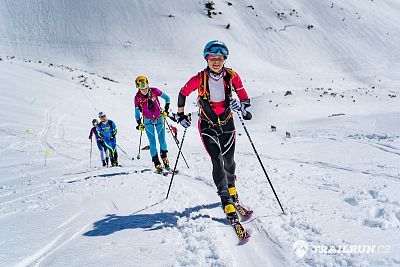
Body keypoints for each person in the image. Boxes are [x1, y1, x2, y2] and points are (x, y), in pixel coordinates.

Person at [174, 40, 252, 223]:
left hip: (227, 123)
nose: (216, 61)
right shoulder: (199, 78)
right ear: (206, 59)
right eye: (212, 58)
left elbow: (245, 98)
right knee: (217, 160)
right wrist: (181, 115)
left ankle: (232, 190)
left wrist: (241, 106)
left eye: (219, 58)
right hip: (207, 125)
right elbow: (182, 93)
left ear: (224, 59)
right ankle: (226, 200)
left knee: (229, 160)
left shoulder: (232, 76)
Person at [134, 76, 171, 173]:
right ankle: (157, 163)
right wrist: (139, 123)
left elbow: (167, 98)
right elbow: (137, 113)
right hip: (147, 121)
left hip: (159, 118)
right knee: (152, 143)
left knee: (162, 141)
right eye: (142, 88)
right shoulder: (137, 98)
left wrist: (166, 111)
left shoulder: (154, 91)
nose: (145, 90)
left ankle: (165, 159)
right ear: (138, 88)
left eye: (146, 87)